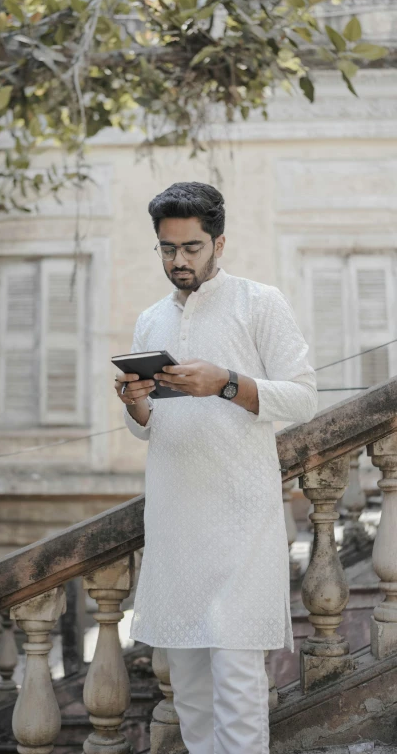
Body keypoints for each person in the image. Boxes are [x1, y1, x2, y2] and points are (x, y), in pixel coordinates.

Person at [114, 181, 317, 754]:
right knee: (192, 696)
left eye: (192, 247)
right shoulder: (150, 320)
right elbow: (148, 425)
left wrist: (225, 383)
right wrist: (134, 403)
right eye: (167, 249)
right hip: (176, 527)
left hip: (240, 524)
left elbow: (303, 397)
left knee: (237, 687)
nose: (179, 260)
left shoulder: (259, 302)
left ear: (219, 243)